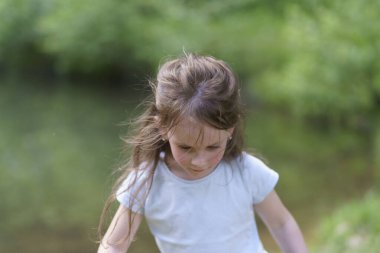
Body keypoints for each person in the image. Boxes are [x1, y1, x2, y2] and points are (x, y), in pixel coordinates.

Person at [97, 53, 308, 253]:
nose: (200, 161)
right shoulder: (146, 181)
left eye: (213, 147)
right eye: (186, 148)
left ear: (230, 130)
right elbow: (114, 244)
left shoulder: (245, 171)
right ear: (162, 127)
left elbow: (282, 223)